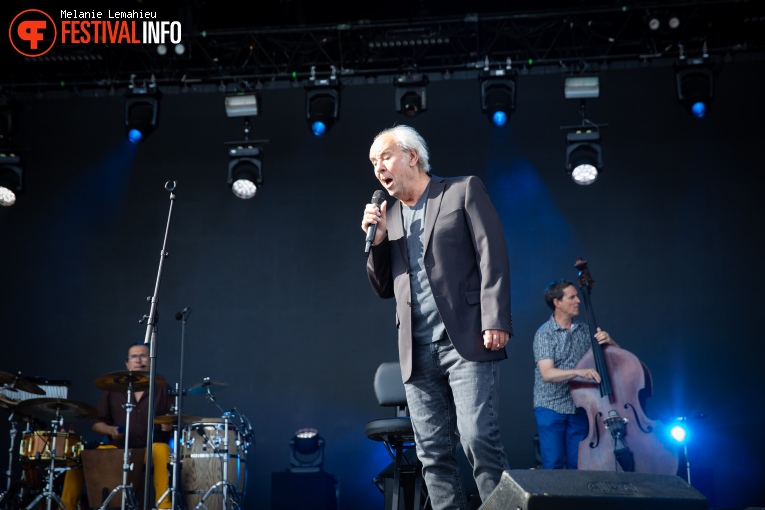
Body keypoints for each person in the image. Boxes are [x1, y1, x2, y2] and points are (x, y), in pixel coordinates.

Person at [361, 125, 513, 509]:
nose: (379, 168)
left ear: (412, 156)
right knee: (432, 455)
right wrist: (376, 244)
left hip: (465, 338)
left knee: (478, 438)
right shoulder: (389, 217)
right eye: (373, 163)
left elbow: (491, 254)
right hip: (416, 347)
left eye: (385, 157)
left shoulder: (461, 190)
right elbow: (383, 287)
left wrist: (495, 317)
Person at [61, 342, 173, 510]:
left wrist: (169, 425)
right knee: (79, 458)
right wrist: (111, 430)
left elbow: (174, 418)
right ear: (127, 363)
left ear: (151, 361)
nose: (139, 360)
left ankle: (164, 507)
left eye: (143, 356)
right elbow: (97, 424)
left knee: (163, 451)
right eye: (134, 356)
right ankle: (65, 507)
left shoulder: (163, 387)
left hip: (149, 448)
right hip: (117, 447)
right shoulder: (112, 389)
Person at [532, 278, 618, 470]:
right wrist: (579, 372)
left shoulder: (585, 331)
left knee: (578, 465)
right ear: (557, 302)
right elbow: (547, 373)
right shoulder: (545, 334)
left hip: (580, 406)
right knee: (553, 465)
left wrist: (611, 343)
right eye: (572, 297)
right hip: (550, 406)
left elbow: (616, 362)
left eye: (577, 296)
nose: (578, 300)